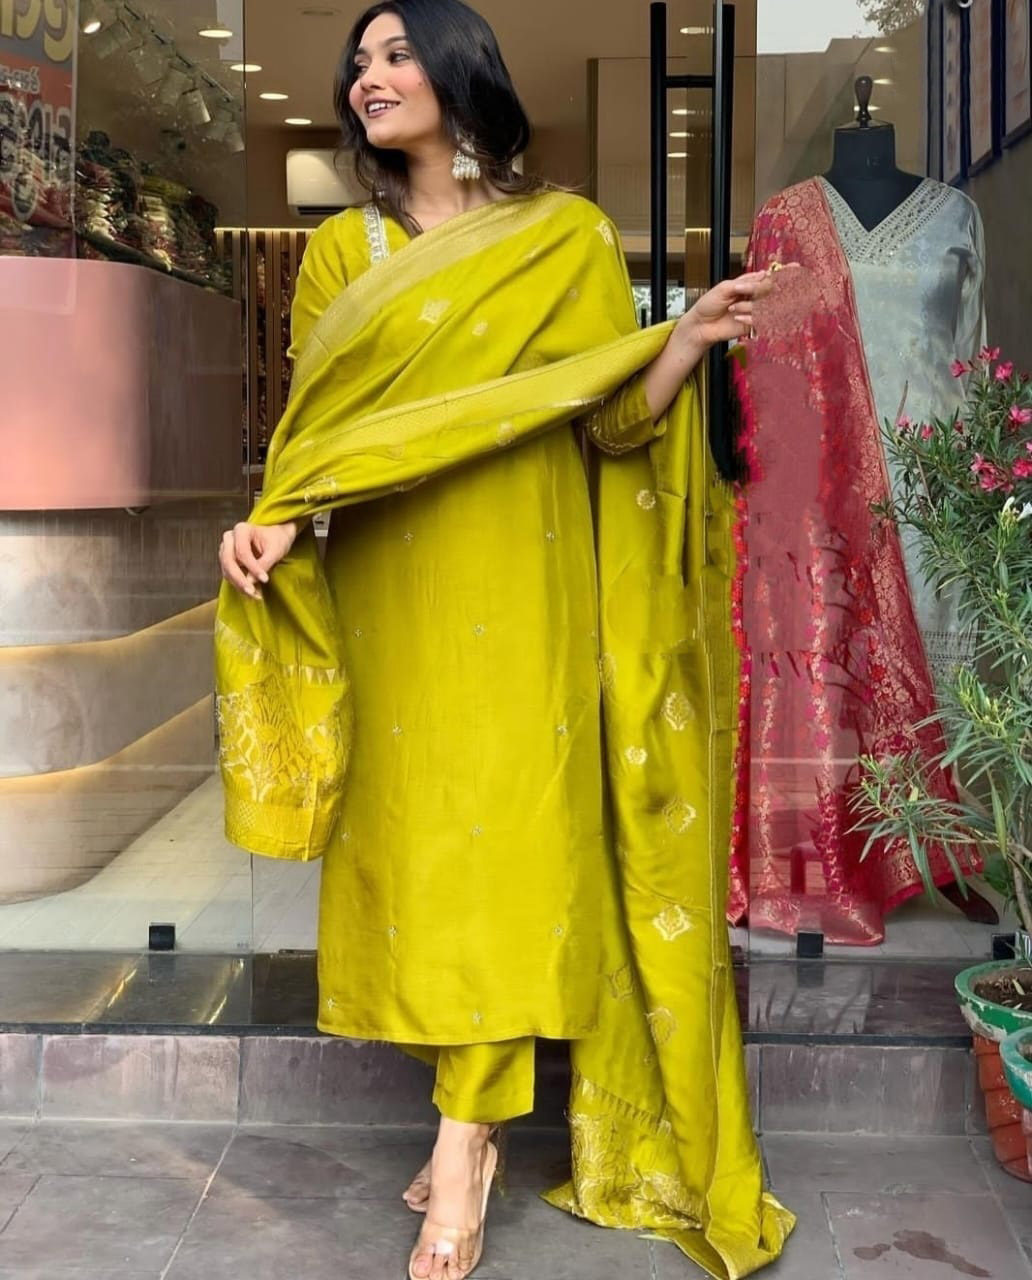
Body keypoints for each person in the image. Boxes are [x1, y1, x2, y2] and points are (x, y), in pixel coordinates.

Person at [217, 2, 793, 1277]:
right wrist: (271, 519)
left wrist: (685, 338)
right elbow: (323, 435)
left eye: (396, 53)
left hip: (529, 583)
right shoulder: (342, 251)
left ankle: (466, 1137)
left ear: (460, 68)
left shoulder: (566, 236)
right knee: (424, 858)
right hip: (392, 586)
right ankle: (465, 1111)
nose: (368, 78)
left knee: (508, 849)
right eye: (358, 63)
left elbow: (611, 426)